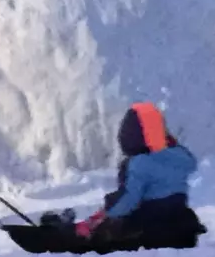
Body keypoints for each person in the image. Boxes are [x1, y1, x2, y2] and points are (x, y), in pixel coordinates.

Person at [70, 102, 205, 249]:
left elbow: (128, 199)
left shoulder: (140, 162)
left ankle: (63, 238)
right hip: (181, 227)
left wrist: (108, 209)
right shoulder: (178, 156)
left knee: (107, 234)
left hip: (150, 229)